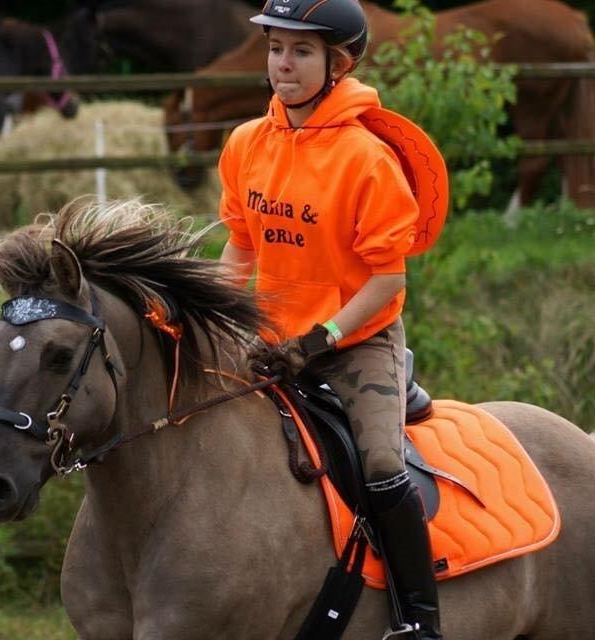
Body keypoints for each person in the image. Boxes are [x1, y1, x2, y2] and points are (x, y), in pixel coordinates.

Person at [218, 1, 444, 638]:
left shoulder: (367, 158)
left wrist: (321, 338)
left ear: (337, 64)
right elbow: (241, 244)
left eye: (301, 52)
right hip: (266, 339)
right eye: (275, 49)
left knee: (379, 465)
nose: (282, 65)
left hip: (353, 344)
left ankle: (419, 621)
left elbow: (388, 279)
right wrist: (203, 312)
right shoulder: (244, 144)